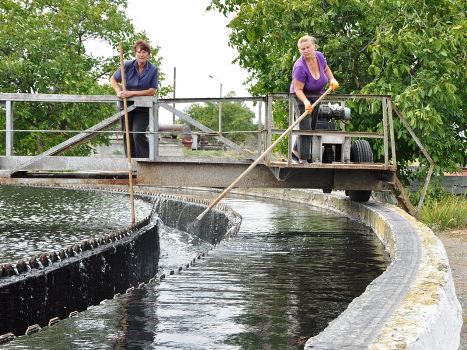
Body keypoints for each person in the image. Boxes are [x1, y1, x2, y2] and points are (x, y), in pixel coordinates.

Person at [290, 35, 339, 162]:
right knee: (305, 125)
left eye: (307, 47)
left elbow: (326, 69)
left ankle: (295, 151)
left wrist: (332, 79)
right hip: (301, 96)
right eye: (302, 49)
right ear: (299, 50)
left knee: (311, 125)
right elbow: (298, 89)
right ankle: (303, 159)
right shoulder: (300, 67)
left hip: (317, 94)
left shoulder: (319, 56)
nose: (305, 50)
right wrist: (306, 101)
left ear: (314, 46)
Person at [111, 39, 158, 158]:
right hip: (126, 105)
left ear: (148, 54)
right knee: (127, 135)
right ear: (135, 54)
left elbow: (152, 91)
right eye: (138, 52)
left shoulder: (153, 69)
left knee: (138, 133)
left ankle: (145, 162)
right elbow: (113, 79)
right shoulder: (127, 65)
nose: (141, 55)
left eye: (144, 52)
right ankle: (131, 163)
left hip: (143, 107)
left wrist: (131, 93)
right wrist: (119, 92)